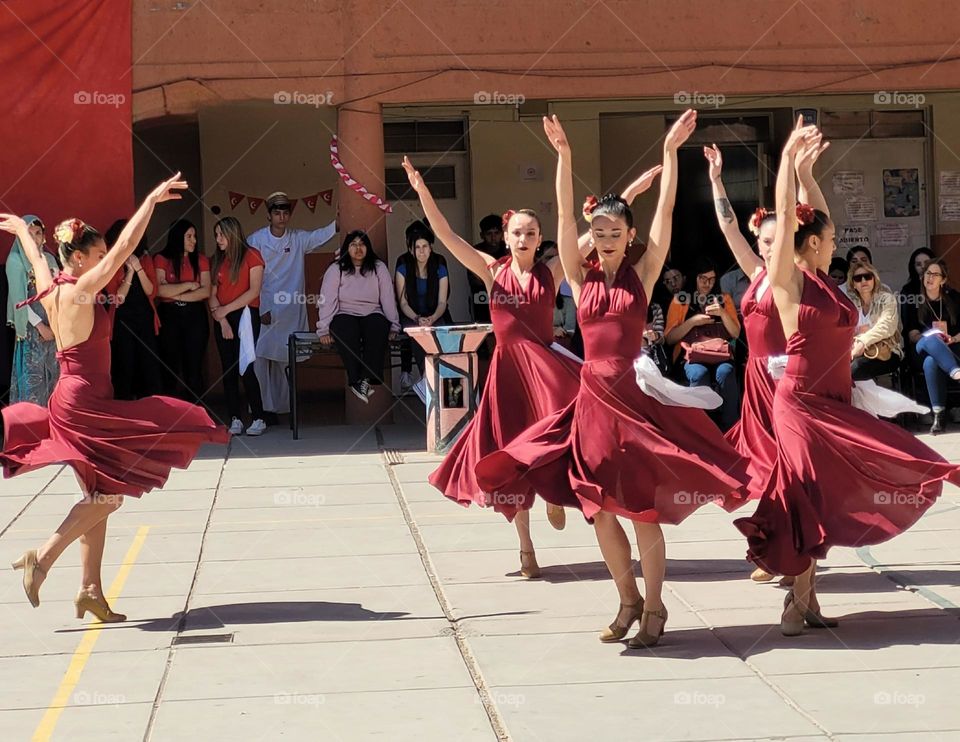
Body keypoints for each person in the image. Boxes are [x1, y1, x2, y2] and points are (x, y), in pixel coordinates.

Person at [478, 111, 750, 649]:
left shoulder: (643, 275)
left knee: (643, 509)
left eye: (614, 232)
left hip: (633, 399)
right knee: (600, 510)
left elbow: (666, 209)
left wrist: (671, 153)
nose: (603, 239)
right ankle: (626, 601)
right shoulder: (576, 279)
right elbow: (560, 213)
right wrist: (564, 157)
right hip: (592, 405)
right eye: (598, 232)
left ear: (629, 237)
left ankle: (654, 606)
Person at [734, 119, 960, 636]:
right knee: (809, 496)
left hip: (837, 398)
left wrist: (809, 171)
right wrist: (788, 160)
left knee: (832, 494)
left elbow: (818, 214)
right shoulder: (788, 281)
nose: (835, 240)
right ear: (807, 243)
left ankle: (807, 600)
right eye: (828, 237)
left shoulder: (828, 283)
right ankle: (795, 601)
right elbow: (791, 222)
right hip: (802, 402)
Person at [0, 174, 228, 622]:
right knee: (110, 496)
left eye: (105, 255)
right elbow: (127, 248)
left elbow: (35, 258)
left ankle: (89, 590)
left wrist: (25, 233)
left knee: (99, 493)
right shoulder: (84, 290)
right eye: (99, 256)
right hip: (85, 402)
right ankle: (41, 559)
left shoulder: (51, 287)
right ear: (80, 258)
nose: (108, 261)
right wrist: (151, 202)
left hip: (71, 396)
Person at [704, 136, 830, 584]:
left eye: (779, 239)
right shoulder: (756, 273)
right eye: (765, 239)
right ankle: (773, 542)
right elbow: (728, 228)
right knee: (759, 465)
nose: (769, 246)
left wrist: (803, 176)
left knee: (787, 465)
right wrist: (718, 181)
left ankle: (784, 546)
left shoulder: (800, 275)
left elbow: (816, 217)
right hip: (756, 380)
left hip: (788, 381)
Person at [249, 192, 337, 420]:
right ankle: (262, 409)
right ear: (269, 215)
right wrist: (259, 308)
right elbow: (250, 276)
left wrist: (339, 221)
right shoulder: (256, 240)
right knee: (260, 358)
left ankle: (282, 409)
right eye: (276, 213)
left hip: (291, 308)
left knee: (284, 361)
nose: (281, 217)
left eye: (284, 213)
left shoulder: (297, 238)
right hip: (265, 307)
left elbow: (320, 236)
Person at [316, 231, 400, 403]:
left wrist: (393, 325)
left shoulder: (378, 267)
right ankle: (356, 379)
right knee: (346, 328)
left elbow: (387, 298)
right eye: (353, 244)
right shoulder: (336, 269)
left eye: (362, 244)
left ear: (368, 247)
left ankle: (366, 379)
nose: (358, 248)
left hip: (372, 311)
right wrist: (323, 330)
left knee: (378, 326)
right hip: (344, 313)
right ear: (347, 248)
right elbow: (327, 300)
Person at [664, 258, 741, 430]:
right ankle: (701, 430)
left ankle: (731, 428)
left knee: (726, 372)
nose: (707, 284)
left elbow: (735, 333)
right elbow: (670, 339)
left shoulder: (723, 299)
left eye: (712, 279)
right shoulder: (680, 300)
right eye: (703, 279)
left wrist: (721, 312)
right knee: (699, 374)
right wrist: (692, 322)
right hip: (691, 356)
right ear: (694, 278)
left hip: (719, 355)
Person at [208, 217, 267, 436]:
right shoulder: (217, 261)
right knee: (229, 368)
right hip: (223, 318)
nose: (218, 239)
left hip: (246, 315)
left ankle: (259, 417)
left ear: (232, 234)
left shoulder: (252, 255)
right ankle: (235, 418)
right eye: (216, 235)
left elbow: (254, 291)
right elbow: (212, 295)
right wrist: (221, 319)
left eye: (221, 234)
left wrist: (227, 310)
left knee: (246, 366)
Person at [104, 220, 163, 400]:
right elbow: (117, 297)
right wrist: (129, 272)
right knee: (124, 365)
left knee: (148, 364)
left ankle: (151, 407)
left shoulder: (145, 258)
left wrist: (138, 267)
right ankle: (124, 410)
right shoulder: (111, 262)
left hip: (144, 319)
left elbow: (151, 291)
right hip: (122, 321)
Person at [155, 220, 211, 403]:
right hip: (169, 317)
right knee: (169, 366)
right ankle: (170, 415)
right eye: (189, 236)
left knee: (193, 368)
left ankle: (197, 414)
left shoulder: (201, 259)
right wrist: (188, 286)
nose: (194, 240)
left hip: (195, 317)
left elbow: (205, 291)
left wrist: (176, 294)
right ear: (177, 237)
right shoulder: (162, 259)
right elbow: (160, 292)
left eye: (194, 236)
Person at [6, 215, 59, 405]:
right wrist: (41, 327)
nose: (35, 238)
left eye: (38, 233)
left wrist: (54, 325)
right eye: (29, 234)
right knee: (33, 379)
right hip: (31, 330)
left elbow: (57, 292)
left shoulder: (50, 260)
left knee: (54, 377)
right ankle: (31, 429)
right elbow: (19, 300)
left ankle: (54, 427)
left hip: (53, 328)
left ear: (44, 236)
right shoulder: (15, 261)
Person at [395, 220, 450, 402]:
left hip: (436, 313)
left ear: (431, 247)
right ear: (410, 249)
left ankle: (435, 381)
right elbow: (402, 302)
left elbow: (442, 300)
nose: (421, 251)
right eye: (417, 247)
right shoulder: (403, 264)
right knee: (418, 334)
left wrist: (432, 317)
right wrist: (418, 318)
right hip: (411, 314)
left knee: (443, 335)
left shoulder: (439, 263)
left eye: (425, 246)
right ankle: (426, 378)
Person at [909, 258, 960, 434]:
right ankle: (956, 372)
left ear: (943, 280)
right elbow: (911, 332)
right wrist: (929, 337)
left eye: (935, 274)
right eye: (927, 273)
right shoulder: (912, 298)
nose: (930, 277)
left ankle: (938, 415)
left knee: (931, 362)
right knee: (931, 340)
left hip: (949, 348)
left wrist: (953, 339)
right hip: (921, 346)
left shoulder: (954, 298)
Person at [848, 261, 903, 381]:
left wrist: (863, 341)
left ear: (874, 279)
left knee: (856, 368)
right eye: (858, 278)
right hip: (855, 352)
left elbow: (886, 326)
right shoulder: (850, 304)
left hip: (885, 352)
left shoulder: (887, 299)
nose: (863, 281)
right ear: (853, 284)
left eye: (867, 277)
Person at [468, 214, 508, 323]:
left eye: (496, 233)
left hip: (508, 299)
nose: (493, 237)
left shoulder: (509, 251)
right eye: (489, 234)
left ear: (502, 234)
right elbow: (477, 279)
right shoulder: (475, 252)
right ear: (482, 235)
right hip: (481, 299)